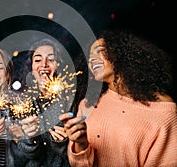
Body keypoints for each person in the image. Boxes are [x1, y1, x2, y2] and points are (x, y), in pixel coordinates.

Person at [59, 30, 177, 166]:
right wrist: (81, 143)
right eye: (89, 56)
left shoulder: (163, 110)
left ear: (120, 53)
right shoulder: (87, 105)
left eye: (99, 51)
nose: (91, 59)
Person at [17, 38, 72, 166]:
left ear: (59, 64)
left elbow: (76, 154)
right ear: (31, 67)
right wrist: (29, 138)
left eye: (51, 59)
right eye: (37, 60)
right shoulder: (23, 101)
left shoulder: (71, 99)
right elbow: (29, 155)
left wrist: (63, 143)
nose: (44, 64)